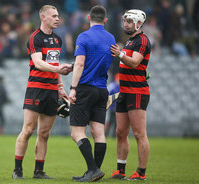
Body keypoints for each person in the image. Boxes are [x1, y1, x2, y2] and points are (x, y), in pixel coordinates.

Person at [12, 5, 72, 179]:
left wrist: (61, 88)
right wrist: (59, 69)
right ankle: (18, 170)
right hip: (36, 89)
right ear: (43, 17)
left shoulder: (58, 39)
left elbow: (54, 67)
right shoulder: (34, 38)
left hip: (52, 91)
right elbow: (38, 63)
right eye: (53, 16)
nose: (57, 18)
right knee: (28, 130)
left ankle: (39, 171)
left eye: (58, 15)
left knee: (44, 134)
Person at [69, 5, 115, 182]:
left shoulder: (84, 36)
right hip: (102, 89)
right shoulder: (111, 37)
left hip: (85, 88)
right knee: (98, 132)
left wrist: (73, 88)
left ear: (88, 18)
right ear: (105, 20)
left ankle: (93, 169)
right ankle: (94, 172)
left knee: (77, 133)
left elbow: (80, 64)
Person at [110, 9, 151, 180]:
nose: (125, 24)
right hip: (124, 91)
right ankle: (120, 170)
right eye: (125, 21)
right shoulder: (130, 41)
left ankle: (141, 172)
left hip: (137, 92)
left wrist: (119, 53)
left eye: (129, 21)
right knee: (120, 132)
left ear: (139, 24)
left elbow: (134, 63)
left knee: (139, 133)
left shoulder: (142, 40)